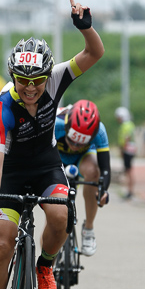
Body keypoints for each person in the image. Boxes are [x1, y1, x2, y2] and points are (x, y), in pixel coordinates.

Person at [0, 0, 105, 289]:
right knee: (1, 243)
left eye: (37, 81)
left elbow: (94, 54)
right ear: (12, 76)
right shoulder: (3, 105)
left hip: (47, 166)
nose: (31, 88)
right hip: (12, 173)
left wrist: (86, 28)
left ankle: (45, 266)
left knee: (61, 217)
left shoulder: (56, 79)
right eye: (23, 81)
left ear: (47, 75)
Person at [55, 100, 111, 256]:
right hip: (57, 157)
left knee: (94, 172)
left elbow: (105, 168)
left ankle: (89, 229)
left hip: (83, 160)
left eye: (80, 143)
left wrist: (103, 190)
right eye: (72, 140)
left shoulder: (99, 131)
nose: (74, 146)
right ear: (66, 127)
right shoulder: (55, 123)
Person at [115, 106, 136, 200]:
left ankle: (130, 191)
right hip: (131, 150)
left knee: (129, 171)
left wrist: (122, 149)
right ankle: (130, 190)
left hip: (127, 150)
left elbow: (126, 137)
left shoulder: (125, 125)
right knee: (129, 170)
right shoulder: (130, 124)